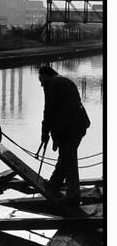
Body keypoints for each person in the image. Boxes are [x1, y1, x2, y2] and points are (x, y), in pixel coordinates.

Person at [38, 65, 90, 203]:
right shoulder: (63, 81)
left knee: (69, 160)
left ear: (44, 75)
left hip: (69, 128)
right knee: (66, 156)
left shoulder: (51, 84)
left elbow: (48, 110)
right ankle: (55, 182)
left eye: (40, 79)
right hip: (79, 124)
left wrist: (44, 133)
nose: (40, 83)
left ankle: (73, 196)